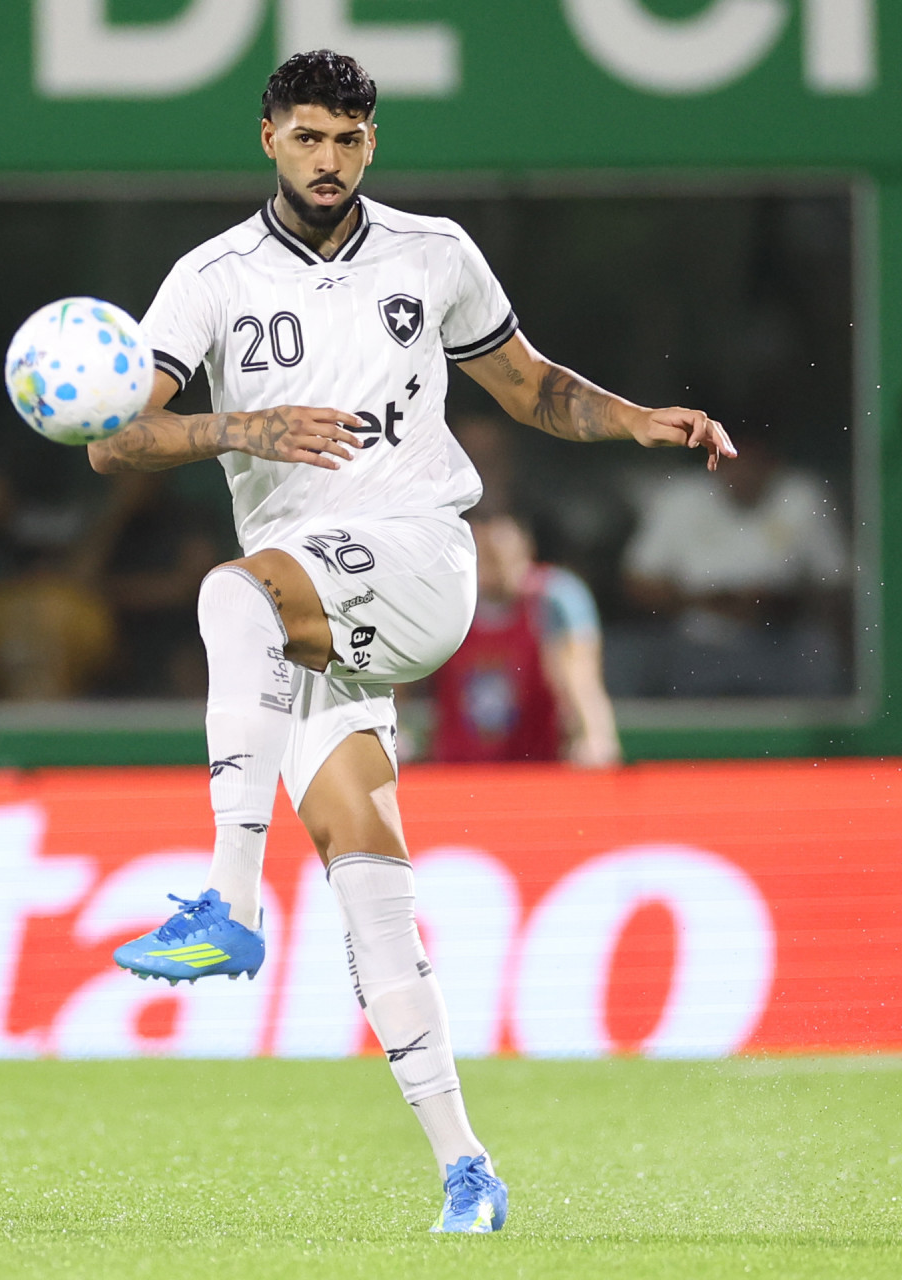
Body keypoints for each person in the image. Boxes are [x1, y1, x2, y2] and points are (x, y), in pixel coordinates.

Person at [92, 51, 734, 1233]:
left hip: (418, 558)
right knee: (368, 877)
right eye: (305, 137)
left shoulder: (432, 254)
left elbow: (528, 385)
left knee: (230, 597)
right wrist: (245, 425)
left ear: (371, 141)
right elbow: (116, 443)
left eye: (346, 138)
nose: (326, 159)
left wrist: (636, 417)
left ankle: (229, 900)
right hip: (320, 611)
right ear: (268, 139)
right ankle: (469, 1170)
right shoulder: (210, 278)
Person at [622, 437, 848, 696]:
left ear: (772, 464)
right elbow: (637, 583)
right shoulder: (681, 496)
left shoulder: (803, 494)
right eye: (734, 462)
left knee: (820, 652)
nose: (745, 474)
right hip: (694, 643)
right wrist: (710, 602)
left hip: (783, 642)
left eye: (754, 464)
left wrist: (779, 603)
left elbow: (835, 585)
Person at [430, 508, 620, 766]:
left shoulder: (555, 600)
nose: (494, 570)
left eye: (502, 558)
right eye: (484, 558)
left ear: (525, 550)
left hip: (537, 767)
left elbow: (582, 681)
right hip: (457, 769)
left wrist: (595, 736)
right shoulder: (445, 602)